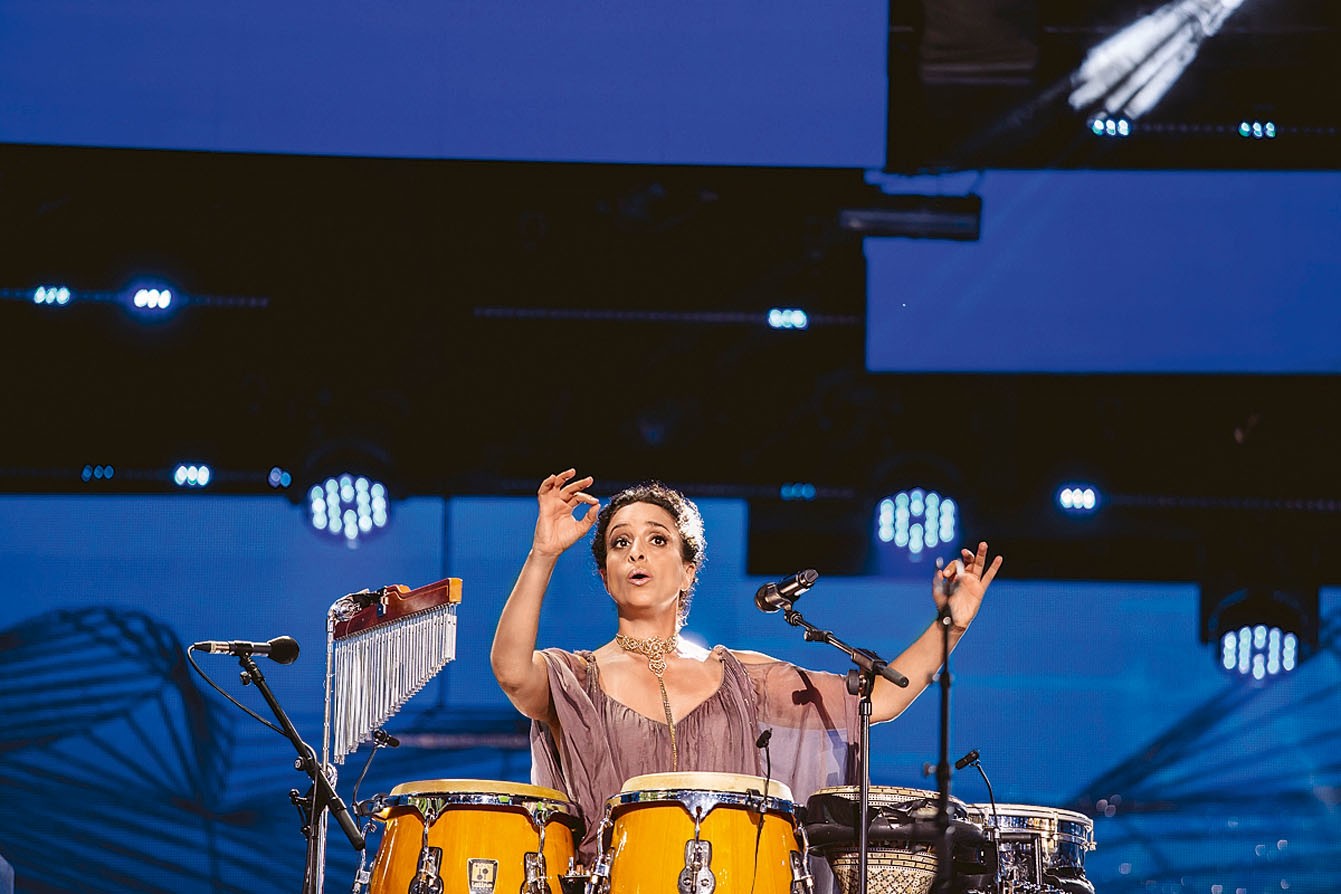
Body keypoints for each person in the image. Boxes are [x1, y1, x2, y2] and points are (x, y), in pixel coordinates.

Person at [490, 468, 1003, 864]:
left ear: (688, 571)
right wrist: (543, 553)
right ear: (606, 576)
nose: (636, 553)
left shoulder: (741, 678)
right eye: (620, 543)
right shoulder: (576, 679)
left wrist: (950, 625)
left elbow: (881, 698)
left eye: (657, 539)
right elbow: (512, 672)